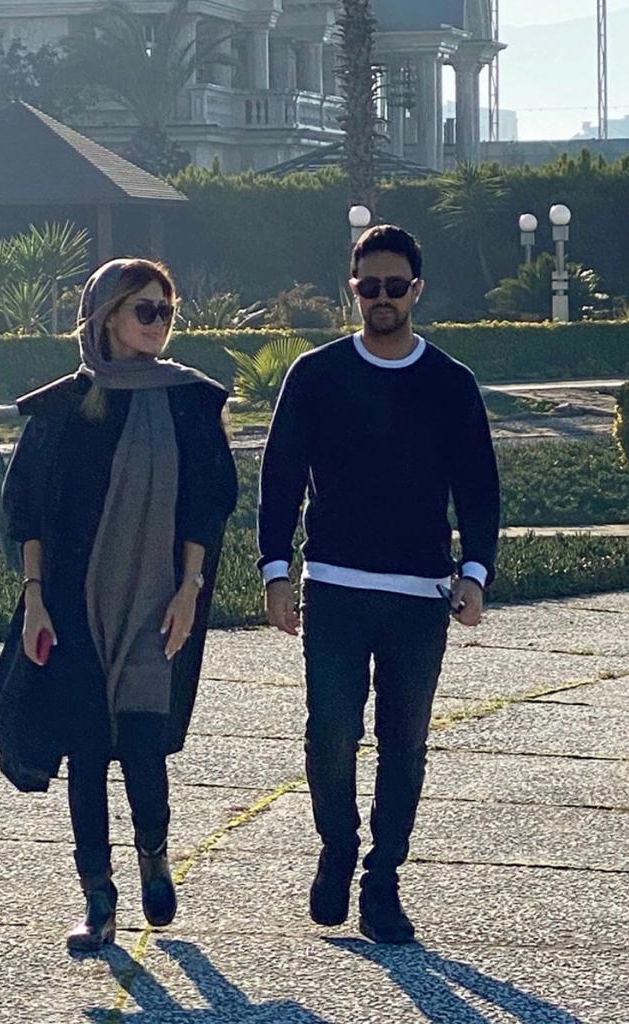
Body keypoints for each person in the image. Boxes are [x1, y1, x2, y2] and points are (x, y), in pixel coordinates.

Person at [0, 257, 238, 951]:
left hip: (155, 602)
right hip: (73, 606)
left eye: (166, 311)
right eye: (144, 310)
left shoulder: (189, 399)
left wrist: (190, 590)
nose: (158, 323)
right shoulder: (65, 406)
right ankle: (98, 898)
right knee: (86, 753)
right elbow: (26, 512)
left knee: (144, 749)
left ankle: (154, 856)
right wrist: (34, 601)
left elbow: (208, 506)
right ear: (108, 318)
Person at [257, 224, 500, 944]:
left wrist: (476, 572)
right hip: (335, 585)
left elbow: (478, 487)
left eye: (396, 286)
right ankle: (337, 845)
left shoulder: (450, 383)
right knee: (331, 733)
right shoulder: (317, 374)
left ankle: (383, 879)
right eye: (370, 286)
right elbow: (279, 476)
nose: (383, 298)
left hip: (420, 593)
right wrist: (276, 570)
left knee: (405, 744)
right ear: (353, 288)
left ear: (416, 290)